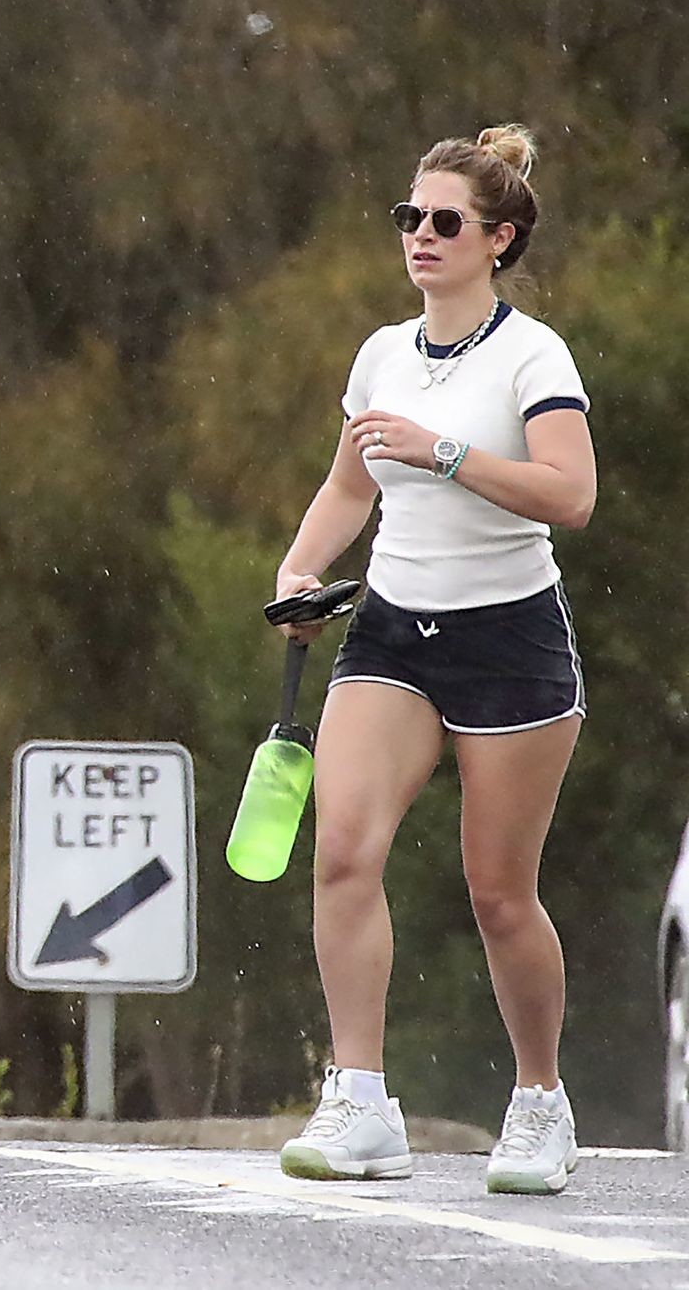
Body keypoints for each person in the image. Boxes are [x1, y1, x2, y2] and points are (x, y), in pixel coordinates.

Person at [270, 125, 596, 1195]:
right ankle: (360, 1099)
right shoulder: (381, 354)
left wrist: (446, 452)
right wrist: (301, 571)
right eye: (410, 216)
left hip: (511, 640)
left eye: (445, 220)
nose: (421, 234)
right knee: (342, 851)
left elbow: (571, 495)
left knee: (499, 894)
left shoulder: (532, 355)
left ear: (498, 239)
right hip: (393, 630)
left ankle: (540, 1101)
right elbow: (348, 486)